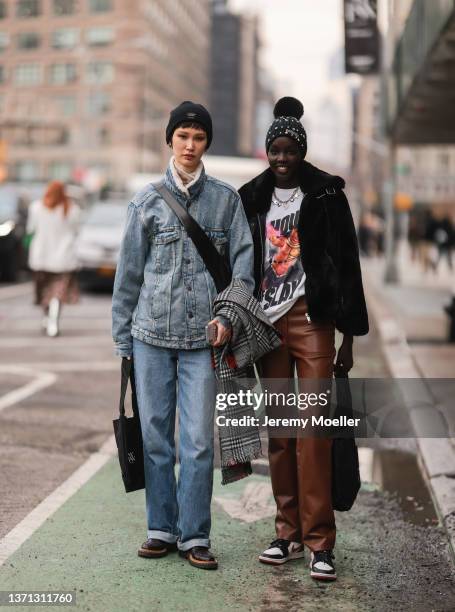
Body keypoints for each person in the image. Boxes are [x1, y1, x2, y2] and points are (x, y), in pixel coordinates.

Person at [111, 101, 254, 570]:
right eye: (182, 137)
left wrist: (229, 319)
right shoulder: (146, 201)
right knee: (155, 438)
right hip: (150, 335)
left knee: (196, 442)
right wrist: (123, 341)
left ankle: (194, 536)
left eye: (198, 137)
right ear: (170, 140)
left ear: (206, 142)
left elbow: (243, 273)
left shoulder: (225, 201)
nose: (190, 146)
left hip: (204, 342)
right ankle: (160, 529)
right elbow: (128, 276)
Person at [239, 97, 369, 581]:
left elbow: (350, 266)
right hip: (266, 326)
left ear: (302, 150)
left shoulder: (327, 195)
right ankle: (287, 533)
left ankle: (320, 542)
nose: (281, 157)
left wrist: (349, 338)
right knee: (280, 433)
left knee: (312, 431)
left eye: (290, 149)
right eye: (275, 149)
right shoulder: (250, 197)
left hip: (313, 322)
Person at [27, 180, 81, 337]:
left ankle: (47, 318)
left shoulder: (36, 208)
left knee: (44, 290)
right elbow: (76, 231)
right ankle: (53, 322)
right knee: (58, 292)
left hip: (41, 257)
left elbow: (31, 229)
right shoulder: (72, 209)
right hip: (63, 258)